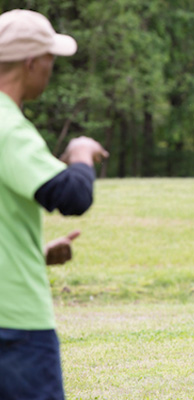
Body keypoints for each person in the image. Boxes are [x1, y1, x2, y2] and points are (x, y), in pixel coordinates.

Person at [0, 9, 109, 400]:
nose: (52, 69)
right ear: (33, 63)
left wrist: (32, 254)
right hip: (14, 324)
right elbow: (72, 195)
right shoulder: (7, 125)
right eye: (51, 60)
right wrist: (80, 152)